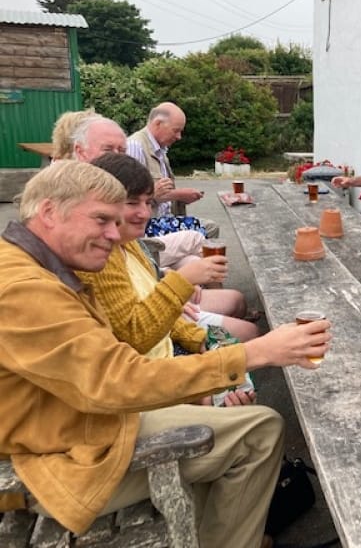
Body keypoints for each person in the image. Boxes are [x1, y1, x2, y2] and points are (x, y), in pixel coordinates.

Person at [0, 161, 330, 547]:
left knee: (235, 421)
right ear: (49, 212)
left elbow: (104, 368)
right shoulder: (24, 289)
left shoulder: (30, 264)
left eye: (118, 219)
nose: (114, 233)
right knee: (260, 431)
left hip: (78, 420)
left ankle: (220, 533)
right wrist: (252, 354)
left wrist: (203, 375)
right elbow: (118, 379)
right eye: (102, 219)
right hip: (57, 459)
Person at [78, 153, 259, 355]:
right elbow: (136, 336)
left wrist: (203, 341)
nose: (145, 213)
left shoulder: (128, 243)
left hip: (167, 332)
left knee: (247, 334)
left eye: (148, 202)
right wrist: (182, 282)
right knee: (249, 342)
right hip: (156, 361)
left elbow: (169, 321)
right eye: (132, 203)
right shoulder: (100, 259)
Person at [126, 101, 219, 238]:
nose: (179, 137)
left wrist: (180, 197)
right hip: (149, 227)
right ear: (158, 124)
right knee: (207, 230)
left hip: (164, 221)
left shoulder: (160, 149)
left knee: (206, 228)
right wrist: (179, 195)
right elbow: (128, 198)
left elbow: (159, 193)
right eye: (176, 130)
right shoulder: (135, 147)